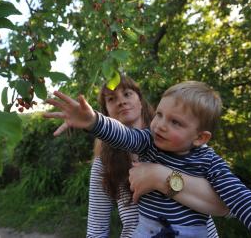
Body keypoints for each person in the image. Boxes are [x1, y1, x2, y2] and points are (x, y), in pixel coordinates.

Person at [44, 81, 251, 237]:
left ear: (200, 138)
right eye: (160, 115)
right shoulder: (148, 142)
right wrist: (94, 122)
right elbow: (124, 136)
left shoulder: (208, 162)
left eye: (175, 122)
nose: (160, 125)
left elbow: (240, 201)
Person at [86, 76, 228, 238]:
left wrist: (159, 177)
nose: (121, 102)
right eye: (111, 99)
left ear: (140, 100)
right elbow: (96, 230)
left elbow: (226, 206)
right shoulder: (103, 163)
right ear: (106, 112)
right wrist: (91, 122)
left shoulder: (184, 141)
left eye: (127, 94)